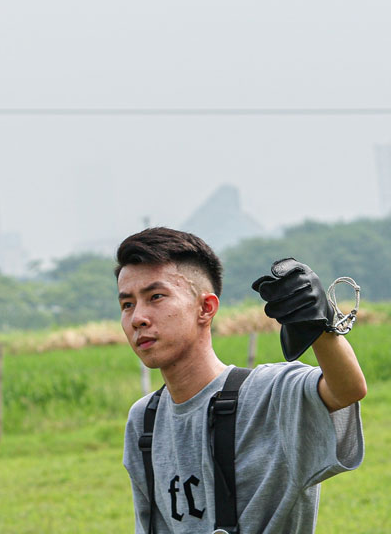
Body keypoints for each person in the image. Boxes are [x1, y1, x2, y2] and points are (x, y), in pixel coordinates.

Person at [117, 227, 365, 534]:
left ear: (206, 308)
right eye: (127, 304)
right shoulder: (144, 421)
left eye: (156, 297)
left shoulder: (270, 394)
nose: (138, 318)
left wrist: (319, 326)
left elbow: (347, 389)